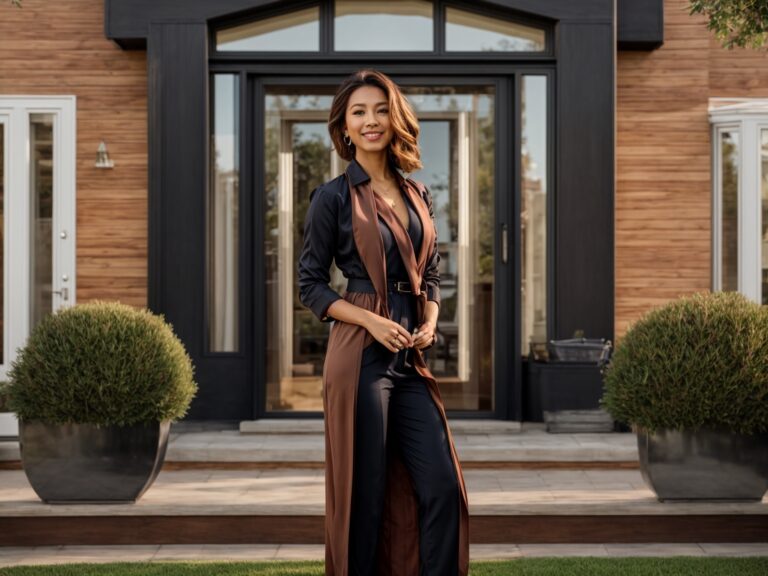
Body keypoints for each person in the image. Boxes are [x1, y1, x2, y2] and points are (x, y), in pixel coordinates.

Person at [298, 69, 469, 576]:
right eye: (358, 113)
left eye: (378, 110)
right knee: (364, 493)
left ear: (394, 120)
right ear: (345, 129)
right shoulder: (332, 197)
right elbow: (310, 285)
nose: (370, 121)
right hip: (360, 356)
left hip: (410, 358)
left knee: (441, 485)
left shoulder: (419, 194)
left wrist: (432, 317)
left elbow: (432, 272)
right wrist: (370, 322)